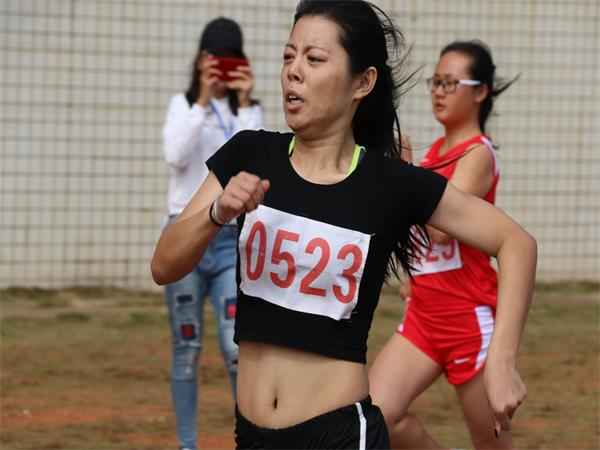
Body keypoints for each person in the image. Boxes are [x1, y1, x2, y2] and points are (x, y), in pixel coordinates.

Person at [152, 2, 536, 449]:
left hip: (340, 436)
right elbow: (163, 265)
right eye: (288, 56)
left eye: (314, 59)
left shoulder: (388, 181)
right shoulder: (248, 154)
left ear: (362, 82)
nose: (293, 71)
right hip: (253, 435)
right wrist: (216, 213)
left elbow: (515, 242)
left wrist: (501, 362)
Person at [369, 41, 521, 449]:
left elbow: (440, 228)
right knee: (377, 416)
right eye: (435, 82)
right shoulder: (436, 152)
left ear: (481, 91)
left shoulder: (478, 155)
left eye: (450, 83)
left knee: (491, 444)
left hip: (466, 320)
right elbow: (419, 235)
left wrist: (401, 174)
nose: (438, 91)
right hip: (423, 316)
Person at [160, 16, 262, 450]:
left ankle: (249, 441)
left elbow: (249, 160)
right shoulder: (183, 105)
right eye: (216, 58)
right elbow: (175, 155)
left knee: (236, 349)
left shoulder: (247, 111)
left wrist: (244, 101)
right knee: (186, 347)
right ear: (202, 60)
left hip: (228, 241)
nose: (223, 67)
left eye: (230, 58)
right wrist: (202, 99)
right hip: (185, 234)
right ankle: (188, 445)